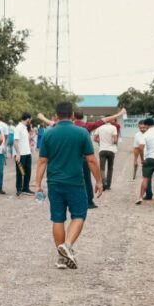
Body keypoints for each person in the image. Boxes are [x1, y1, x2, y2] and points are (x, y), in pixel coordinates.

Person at [33, 102, 103, 270]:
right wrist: (99, 181)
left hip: (54, 182)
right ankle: (68, 245)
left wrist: (37, 184)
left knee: (58, 218)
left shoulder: (49, 133)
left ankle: (61, 257)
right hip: (75, 182)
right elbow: (91, 159)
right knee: (79, 215)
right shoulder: (82, 133)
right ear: (72, 115)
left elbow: (42, 161)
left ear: (56, 115)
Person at [92, 119, 119, 192]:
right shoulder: (113, 127)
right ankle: (108, 186)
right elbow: (115, 140)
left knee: (102, 168)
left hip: (102, 150)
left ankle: (104, 182)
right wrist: (111, 142)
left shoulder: (99, 127)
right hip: (111, 150)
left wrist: (101, 142)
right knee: (110, 168)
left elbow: (94, 139)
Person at [14, 113, 35, 196]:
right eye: (31, 119)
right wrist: (18, 154)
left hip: (27, 154)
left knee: (28, 172)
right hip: (21, 154)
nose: (31, 121)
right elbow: (15, 141)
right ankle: (19, 189)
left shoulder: (25, 128)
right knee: (20, 172)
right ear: (28, 119)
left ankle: (26, 188)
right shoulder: (18, 128)